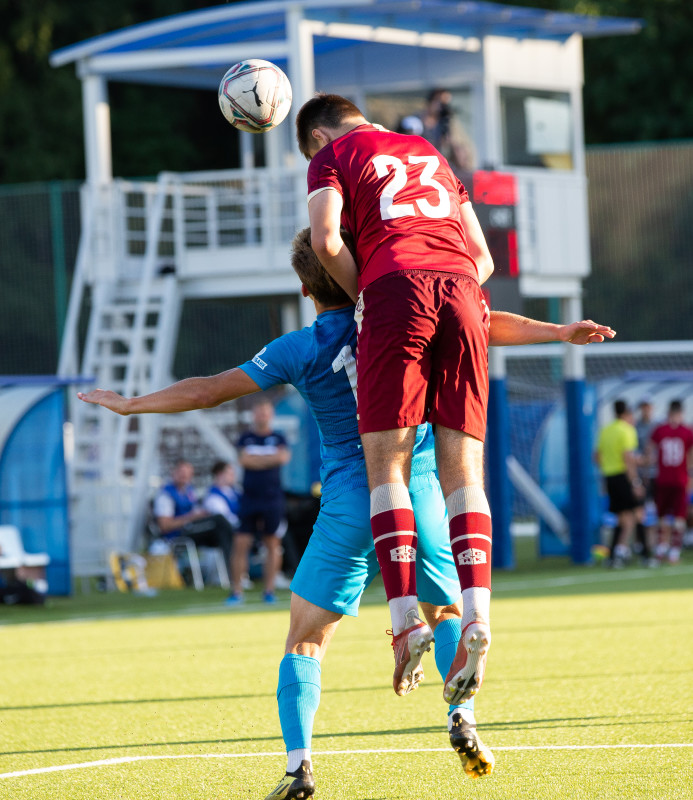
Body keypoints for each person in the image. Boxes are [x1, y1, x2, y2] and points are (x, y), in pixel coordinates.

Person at [77, 227, 614, 799]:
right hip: (422, 490)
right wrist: (558, 332)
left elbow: (209, 390)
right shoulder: (405, 320)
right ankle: (462, 718)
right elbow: (479, 323)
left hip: (352, 501)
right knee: (444, 610)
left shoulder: (297, 348)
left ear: (305, 288)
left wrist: (132, 404)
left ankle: (299, 766)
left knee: (305, 639)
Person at [297, 92, 496, 705]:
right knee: (465, 474)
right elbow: (482, 259)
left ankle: (407, 618)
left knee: (388, 467)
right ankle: (477, 614)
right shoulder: (429, 151)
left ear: (319, 135)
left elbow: (326, 241)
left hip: (395, 290)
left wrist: (370, 295)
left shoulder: (332, 154)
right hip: (463, 291)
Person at [228, 399, 291, 605]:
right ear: (253, 415)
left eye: (265, 412)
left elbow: (282, 458)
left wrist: (257, 460)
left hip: (272, 499)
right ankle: (236, 591)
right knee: (241, 543)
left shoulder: (279, 437)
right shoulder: (245, 438)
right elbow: (244, 460)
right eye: (259, 412)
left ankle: (269, 591)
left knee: (272, 543)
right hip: (249, 497)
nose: (262, 416)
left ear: (271, 415)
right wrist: (269, 459)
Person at [152, 459, 235, 579]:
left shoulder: (189, 491)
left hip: (192, 530)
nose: (184, 476)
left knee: (224, 530)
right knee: (220, 521)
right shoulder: (166, 495)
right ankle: (231, 573)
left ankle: (228, 574)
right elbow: (164, 526)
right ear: (173, 472)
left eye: (188, 473)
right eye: (181, 472)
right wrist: (192, 517)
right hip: (177, 536)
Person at [595, 400, 643, 568]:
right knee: (634, 514)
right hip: (623, 477)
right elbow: (628, 458)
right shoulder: (627, 430)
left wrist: (608, 468)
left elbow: (597, 457)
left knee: (622, 517)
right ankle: (624, 551)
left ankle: (617, 552)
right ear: (626, 414)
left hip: (609, 476)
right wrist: (635, 482)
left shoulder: (605, 430)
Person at [648, 400, 693, 564]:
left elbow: (649, 451)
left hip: (664, 479)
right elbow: (690, 456)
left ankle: (662, 548)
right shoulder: (687, 431)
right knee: (678, 517)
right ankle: (673, 551)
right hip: (679, 479)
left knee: (663, 516)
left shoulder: (660, 430)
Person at [419, 88, 475, 173]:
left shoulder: (450, 122)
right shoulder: (418, 121)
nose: (443, 107)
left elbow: (463, 148)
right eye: (441, 102)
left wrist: (451, 142)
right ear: (431, 102)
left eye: (446, 103)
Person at [203, 460, 241, 530]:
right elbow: (227, 520)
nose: (234, 477)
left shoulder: (235, 490)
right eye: (230, 474)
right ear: (220, 475)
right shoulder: (213, 497)